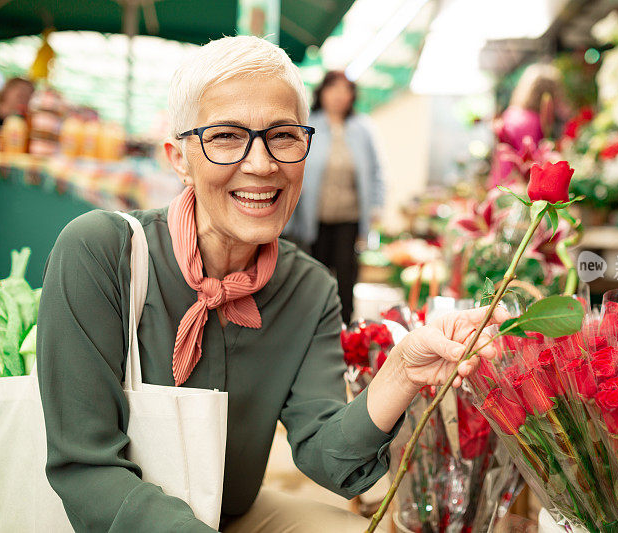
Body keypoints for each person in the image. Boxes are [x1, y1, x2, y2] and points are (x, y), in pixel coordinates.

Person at [36, 36, 504, 532]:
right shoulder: (102, 252)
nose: (262, 164)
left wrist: (403, 371)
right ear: (179, 158)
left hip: (229, 513)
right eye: (225, 137)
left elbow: (330, 459)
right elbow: (85, 468)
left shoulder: (309, 288)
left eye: (283, 135)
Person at [287, 70, 383, 324]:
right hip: (314, 217)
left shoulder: (362, 128)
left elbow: (376, 171)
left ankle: (346, 330)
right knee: (315, 275)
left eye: (345, 90)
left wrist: (376, 207)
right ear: (322, 93)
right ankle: (315, 326)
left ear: (352, 96)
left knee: (346, 276)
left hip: (349, 217)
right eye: (334, 89)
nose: (340, 96)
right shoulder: (309, 125)